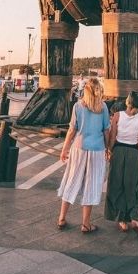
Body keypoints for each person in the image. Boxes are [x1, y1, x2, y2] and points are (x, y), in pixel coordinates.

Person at [57, 77, 110, 233]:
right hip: (97, 149)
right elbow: (106, 131)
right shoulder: (103, 107)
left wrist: (64, 149)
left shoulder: (78, 106)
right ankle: (86, 224)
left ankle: (61, 218)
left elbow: (72, 130)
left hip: (79, 148)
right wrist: (108, 148)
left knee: (71, 181)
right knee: (91, 185)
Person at [104, 91, 138, 238]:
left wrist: (109, 151)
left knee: (117, 185)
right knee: (134, 186)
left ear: (127, 102)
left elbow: (112, 137)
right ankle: (133, 218)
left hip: (118, 152)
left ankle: (122, 220)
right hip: (133, 153)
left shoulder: (117, 116)